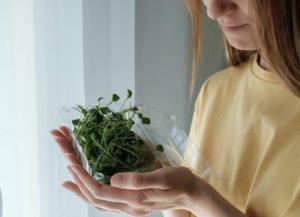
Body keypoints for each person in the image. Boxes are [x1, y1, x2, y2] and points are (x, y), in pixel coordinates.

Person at [50, 0, 300, 216]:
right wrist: (158, 185)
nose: (213, 10)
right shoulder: (217, 90)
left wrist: (193, 194)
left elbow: (193, 197)